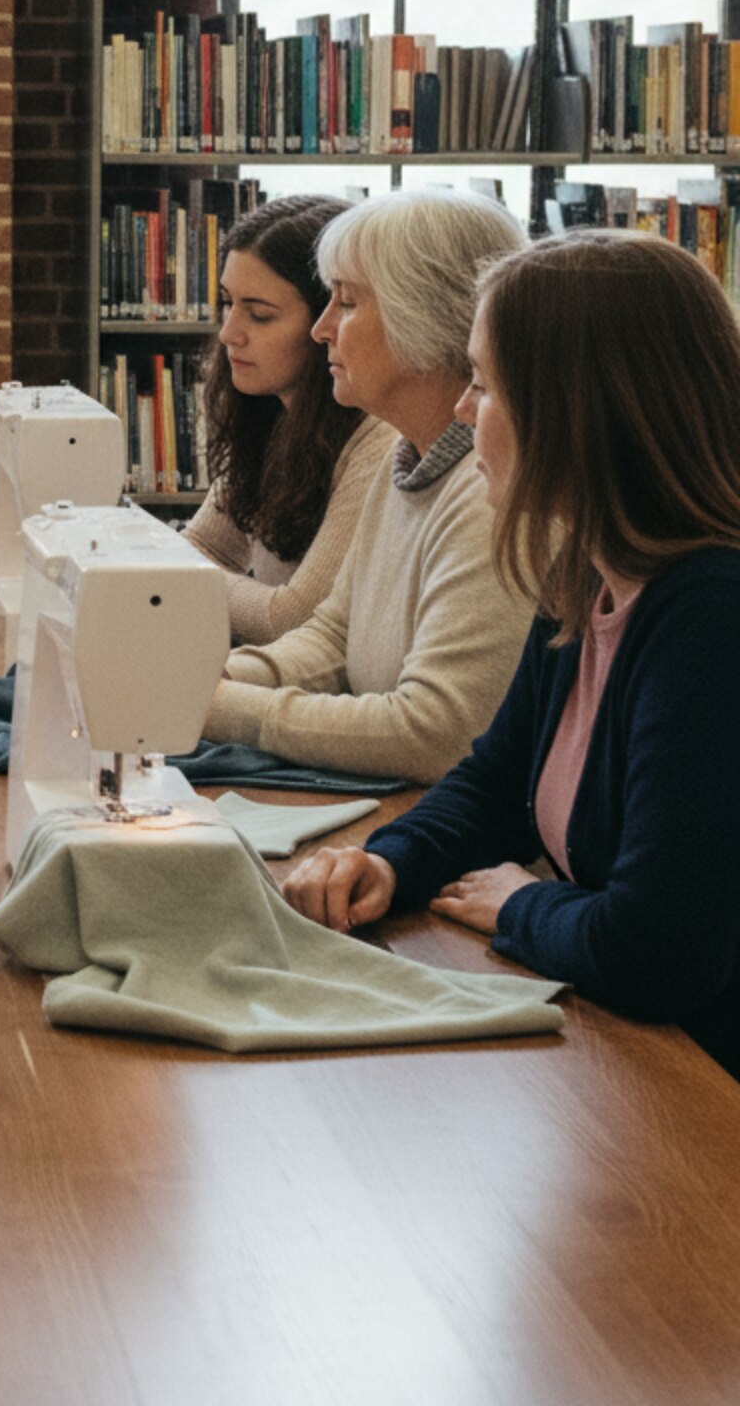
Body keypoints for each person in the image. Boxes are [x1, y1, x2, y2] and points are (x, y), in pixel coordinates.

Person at [283, 232, 740, 1078]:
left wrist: (523, 904)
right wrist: (390, 861)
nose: (463, 409)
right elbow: (497, 780)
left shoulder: (709, 616)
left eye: (486, 385)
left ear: (575, 410)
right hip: (633, 1060)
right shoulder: (581, 574)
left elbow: (659, 950)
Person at [202, 187, 531, 782]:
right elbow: (332, 637)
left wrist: (220, 706)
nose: (324, 328)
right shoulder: (404, 457)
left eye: (347, 304)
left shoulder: (490, 495)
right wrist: (214, 680)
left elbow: (435, 732)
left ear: (422, 317)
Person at [183, 194, 394, 644]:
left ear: (329, 319)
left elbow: (293, 619)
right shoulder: (273, 415)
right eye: (227, 304)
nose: (228, 333)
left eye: (259, 315)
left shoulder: (379, 441)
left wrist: (179, 576)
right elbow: (203, 547)